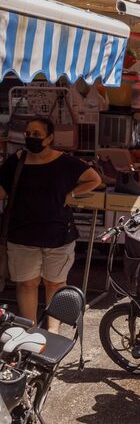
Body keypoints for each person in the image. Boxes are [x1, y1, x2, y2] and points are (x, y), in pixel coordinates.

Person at [0, 117, 101, 331]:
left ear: (50, 137)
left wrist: (72, 193)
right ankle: (31, 330)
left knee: (54, 284)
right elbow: (3, 190)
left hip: (58, 235)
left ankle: (52, 331)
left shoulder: (66, 162)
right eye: (28, 133)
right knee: (27, 283)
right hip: (22, 235)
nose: (31, 138)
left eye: (37, 134)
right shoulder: (16, 161)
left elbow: (94, 179)